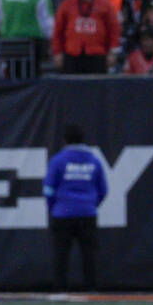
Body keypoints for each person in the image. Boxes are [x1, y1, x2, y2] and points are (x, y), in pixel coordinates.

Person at [44, 125, 107, 291]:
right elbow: (103, 190)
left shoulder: (58, 160)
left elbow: (48, 189)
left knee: (61, 254)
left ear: (65, 140)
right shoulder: (94, 160)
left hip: (62, 214)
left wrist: (54, 207)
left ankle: (60, 289)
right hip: (87, 213)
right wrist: (90, 204)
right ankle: (91, 288)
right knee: (89, 254)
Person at [53, 0, 120, 73]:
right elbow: (58, 30)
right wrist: (57, 52)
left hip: (97, 54)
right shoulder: (67, 5)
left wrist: (113, 52)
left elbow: (114, 30)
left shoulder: (105, 5)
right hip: (72, 54)